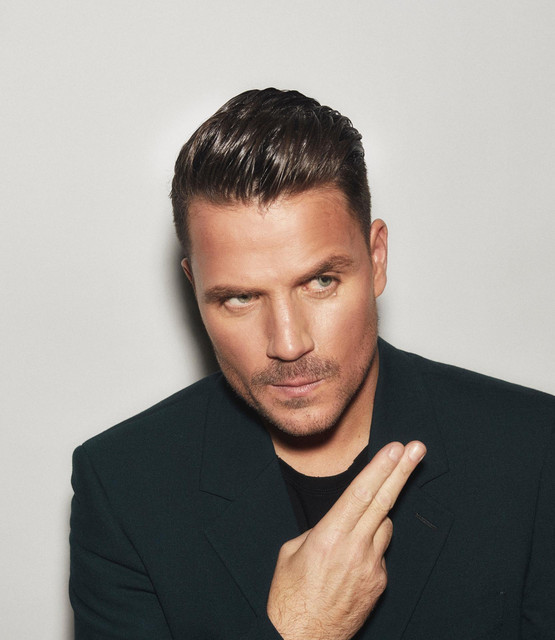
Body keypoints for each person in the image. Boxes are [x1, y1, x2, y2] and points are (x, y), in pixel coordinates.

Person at [69, 88, 555, 640]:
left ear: (376, 259)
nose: (288, 342)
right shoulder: (123, 487)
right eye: (239, 297)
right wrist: (304, 630)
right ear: (194, 287)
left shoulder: (533, 451)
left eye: (321, 281)